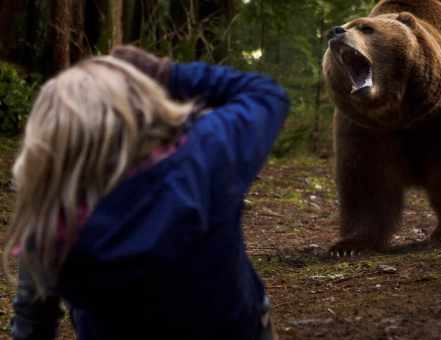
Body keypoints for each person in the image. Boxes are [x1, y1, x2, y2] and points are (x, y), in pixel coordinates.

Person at [5, 46, 289, 340]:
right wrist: (168, 72)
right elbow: (266, 94)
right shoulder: (204, 157)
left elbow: (33, 319)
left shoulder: (51, 223)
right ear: (143, 107)